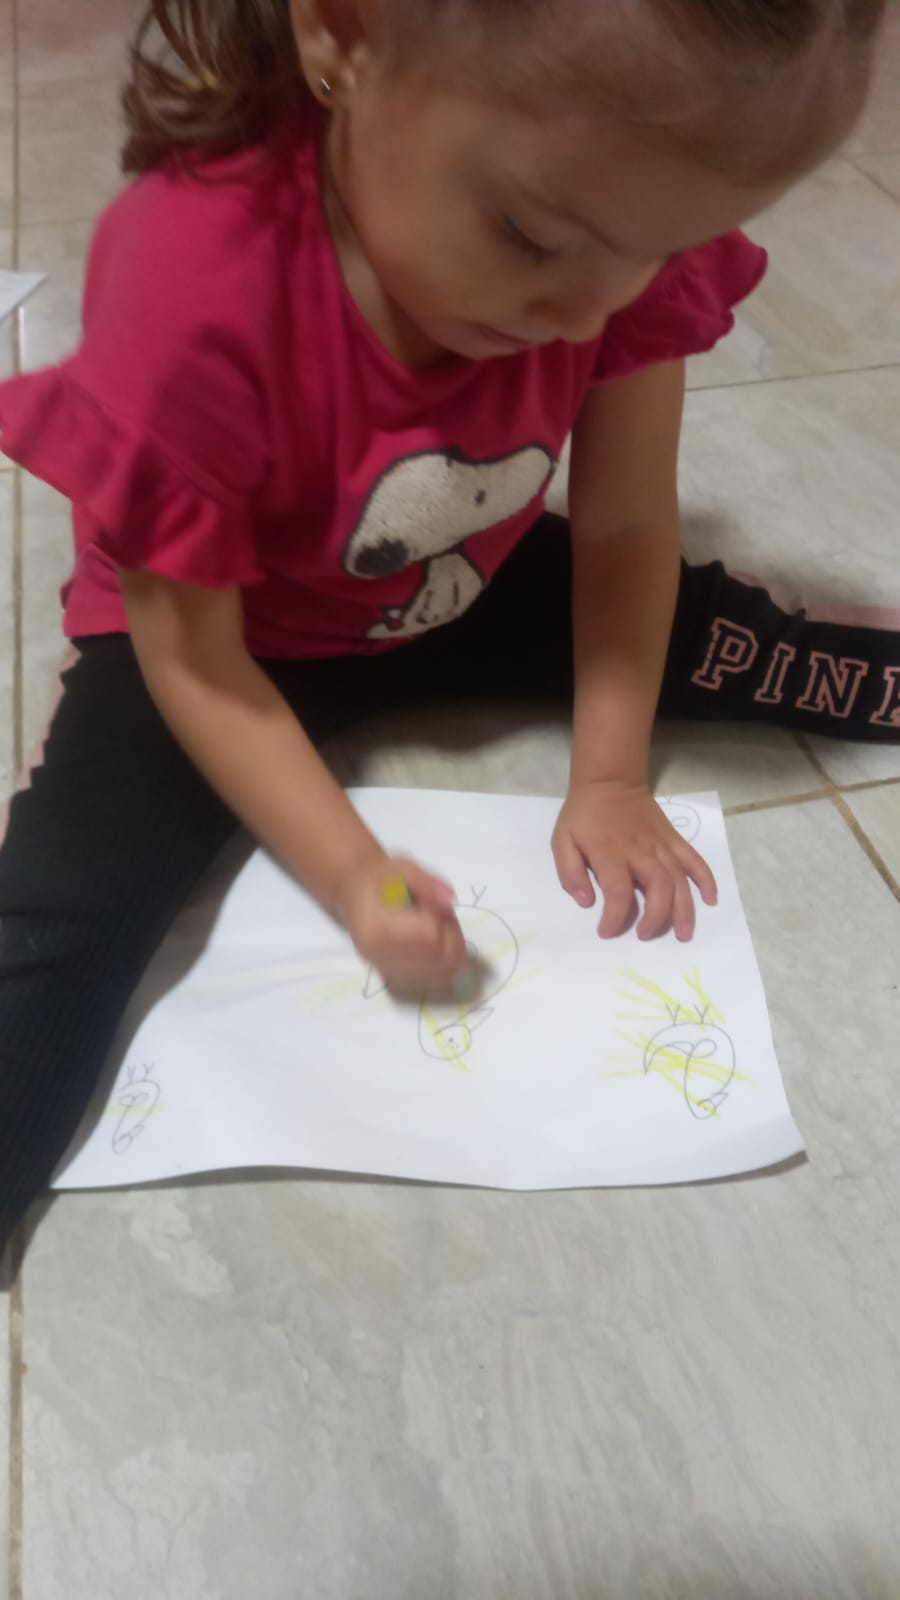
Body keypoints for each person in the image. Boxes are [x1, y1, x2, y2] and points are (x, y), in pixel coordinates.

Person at [0, 0, 892, 1254]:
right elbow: (193, 661)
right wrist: (358, 880)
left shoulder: (619, 234)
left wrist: (610, 775)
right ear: (342, 34)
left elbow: (627, 526)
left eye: (653, 255)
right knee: (58, 921)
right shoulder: (189, 279)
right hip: (216, 636)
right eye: (531, 236)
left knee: (754, 644)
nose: (585, 313)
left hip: (452, 575)